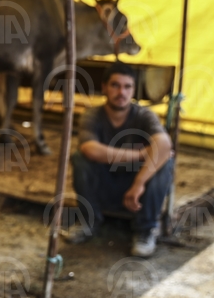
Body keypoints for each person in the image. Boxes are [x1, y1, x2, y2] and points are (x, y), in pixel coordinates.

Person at [67, 62, 174, 257]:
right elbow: (90, 149)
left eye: (127, 87)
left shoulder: (144, 115)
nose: (121, 92)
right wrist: (142, 154)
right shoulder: (93, 115)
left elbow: (164, 144)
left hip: (137, 191)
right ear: (105, 88)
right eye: (115, 85)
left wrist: (139, 183)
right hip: (106, 184)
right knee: (80, 158)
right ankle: (88, 221)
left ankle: (145, 230)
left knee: (164, 162)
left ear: (133, 90)